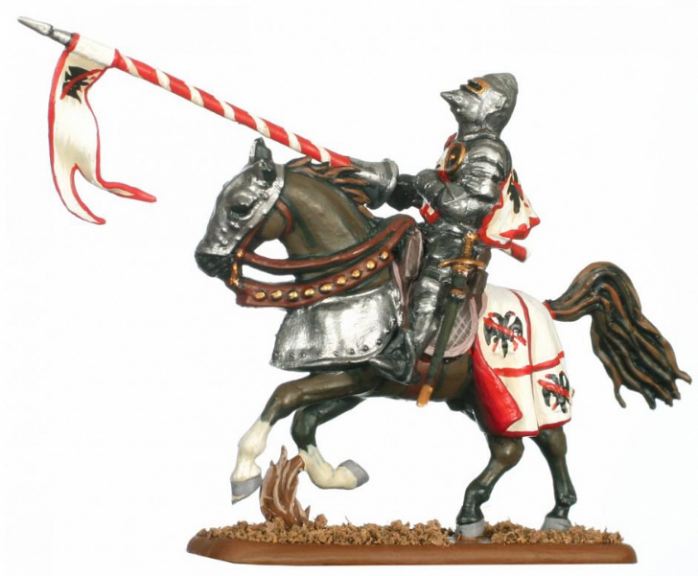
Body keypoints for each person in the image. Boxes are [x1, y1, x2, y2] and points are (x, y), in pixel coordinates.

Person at [361, 73, 539, 383]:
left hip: (459, 239)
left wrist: (425, 180)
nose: (459, 97)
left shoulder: (488, 152)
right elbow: (437, 192)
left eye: (473, 94)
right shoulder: (462, 143)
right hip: (437, 228)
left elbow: (466, 206)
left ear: (492, 106)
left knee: (433, 280)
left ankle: (407, 352)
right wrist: (394, 185)